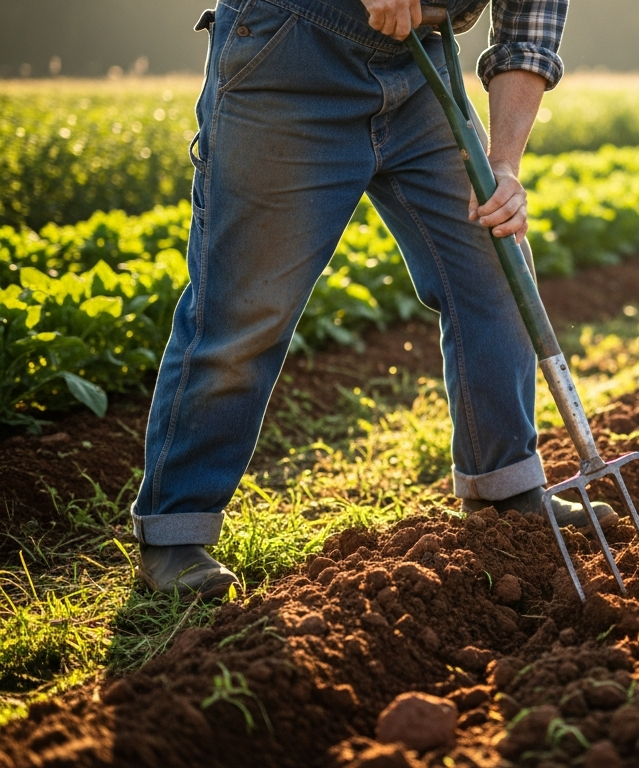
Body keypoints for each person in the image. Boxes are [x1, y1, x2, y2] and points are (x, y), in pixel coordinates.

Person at [131, 0, 612, 600]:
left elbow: (528, 33)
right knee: (248, 310)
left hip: (422, 65)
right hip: (291, 53)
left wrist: (505, 167)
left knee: (496, 269)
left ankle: (505, 488)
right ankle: (175, 528)